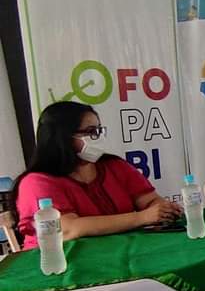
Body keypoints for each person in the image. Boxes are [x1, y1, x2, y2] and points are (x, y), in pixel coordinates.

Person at [14, 102, 183, 249]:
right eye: (90, 132)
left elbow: (150, 200)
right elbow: (69, 228)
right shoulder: (37, 182)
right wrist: (141, 218)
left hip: (124, 251)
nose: (97, 138)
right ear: (62, 138)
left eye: (99, 131)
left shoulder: (114, 166)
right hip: (62, 265)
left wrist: (163, 210)